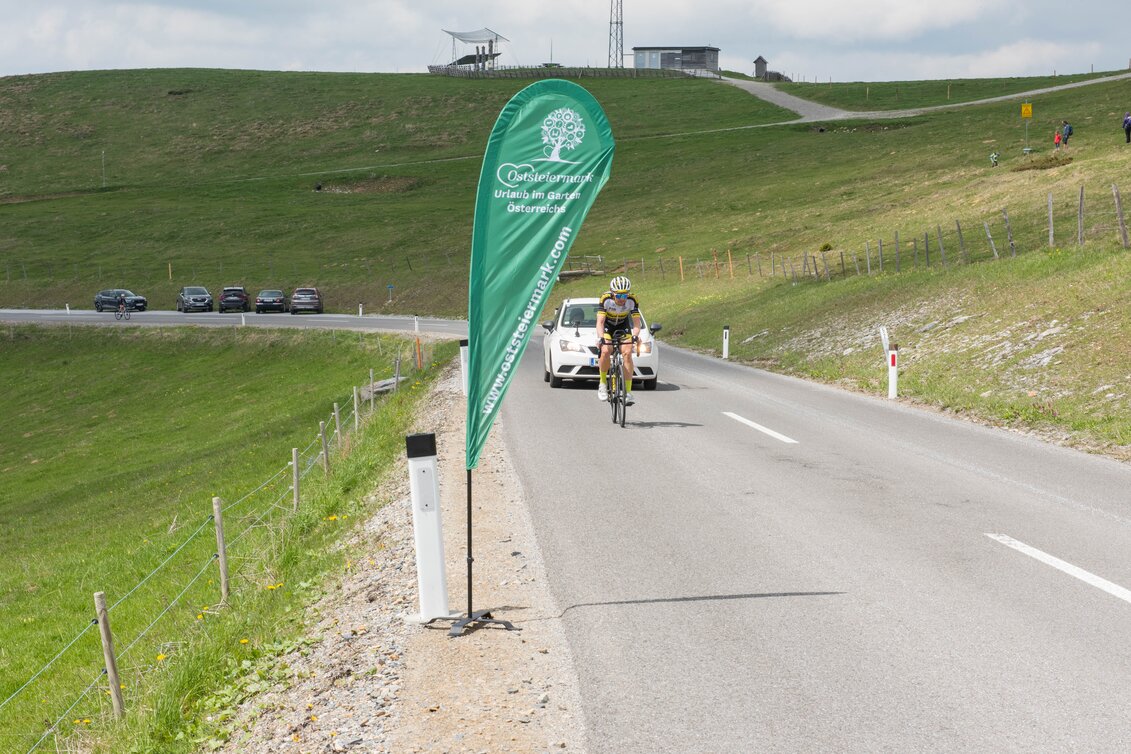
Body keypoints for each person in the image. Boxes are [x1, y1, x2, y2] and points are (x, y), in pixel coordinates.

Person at [595, 275, 642, 406]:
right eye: (619, 296)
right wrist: (601, 338)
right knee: (605, 350)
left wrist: (635, 336)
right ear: (612, 293)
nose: (622, 299)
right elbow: (600, 322)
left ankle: (628, 392)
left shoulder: (632, 300)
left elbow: (637, 324)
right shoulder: (605, 299)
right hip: (607, 326)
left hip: (623, 325)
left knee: (627, 353)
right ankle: (603, 384)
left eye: (625, 295)